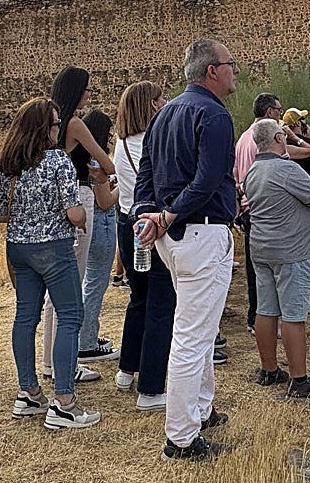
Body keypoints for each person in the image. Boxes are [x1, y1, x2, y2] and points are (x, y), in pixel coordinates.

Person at [134, 39, 238, 461]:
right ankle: (180, 437)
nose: (236, 70)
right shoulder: (213, 114)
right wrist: (170, 215)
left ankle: (201, 408)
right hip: (200, 233)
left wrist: (148, 216)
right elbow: (208, 179)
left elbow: (146, 176)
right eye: (230, 64)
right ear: (212, 70)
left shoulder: (164, 115)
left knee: (201, 328)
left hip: (173, 239)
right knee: (193, 337)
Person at [0, 97, 100, 428]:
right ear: (46, 128)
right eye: (55, 124)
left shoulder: (9, 164)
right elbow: (73, 211)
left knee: (26, 318)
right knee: (70, 315)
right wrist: (82, 216)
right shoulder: (58, 162)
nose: (59, 129)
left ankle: (29, 393)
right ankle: (65, 401)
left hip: (18, 248)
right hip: (54, 247)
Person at [243, 119, 310, 400]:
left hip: (261, 248)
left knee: (266, 310)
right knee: (294, 316)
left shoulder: (253, 171)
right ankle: (299, 380)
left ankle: (268, 369)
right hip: (291, 251)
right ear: (280, 138)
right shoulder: (287, 169)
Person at [49, 67, 117, 373]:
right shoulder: (75, 123)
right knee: (72, 286)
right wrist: (99, 172)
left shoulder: (47, 120)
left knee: (55, 290)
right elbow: (107, 163)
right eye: (87, 90)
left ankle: (52, 361)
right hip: (79, 199)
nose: (90, 95)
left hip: (53, 200)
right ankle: (66, 362)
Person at [113, 81, 175, 411]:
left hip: (126, 222)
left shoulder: (121, 143)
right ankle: (151, 388)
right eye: (162, 98)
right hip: (150, 225)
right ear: (152, 106)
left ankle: (127, 368)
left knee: (139, 299)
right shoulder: (151, 142)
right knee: (161, 304)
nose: (166, 101)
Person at [73, 110, 120, 363]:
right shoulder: (96, 160)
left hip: (90, 226)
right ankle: (87, 342)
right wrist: (121, 188)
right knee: (95, 285)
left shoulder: (80, 157)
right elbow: (104, 201)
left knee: (88, 283)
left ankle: (88, 335)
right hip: (101, 226)